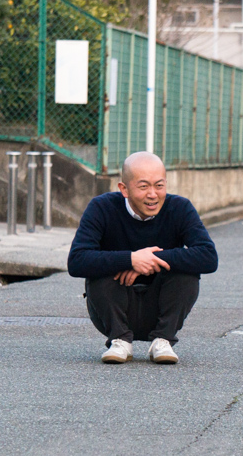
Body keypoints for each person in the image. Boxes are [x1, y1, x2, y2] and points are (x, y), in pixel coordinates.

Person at [67, 152, 218, 365]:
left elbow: (209, 257)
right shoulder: (101, 208)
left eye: (159, 185)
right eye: (144, 186)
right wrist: (130, 259)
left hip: (159, 308)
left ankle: (163, 341)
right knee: (99, 267)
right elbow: (77, 261)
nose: (153, 194)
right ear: (124, 189)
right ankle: (119, 341)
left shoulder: (180, 208)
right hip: (114, 308)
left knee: (188, 272)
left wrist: (149, 260)